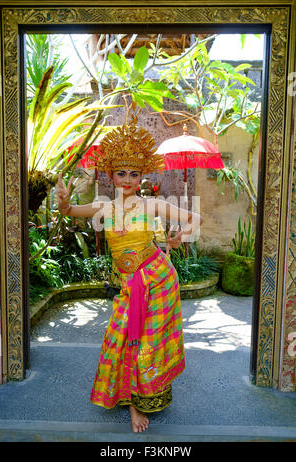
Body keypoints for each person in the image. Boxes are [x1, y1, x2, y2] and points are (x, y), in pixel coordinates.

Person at [55, 115, 203, 433]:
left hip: (158, 281)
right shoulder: (104, 208)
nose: (127, 180)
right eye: (121, 173)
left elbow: (193, 217)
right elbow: (68, 213)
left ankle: (141, 401)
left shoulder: (151, 206)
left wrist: (179, 236)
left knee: (148, 343)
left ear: (141, 177)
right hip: (128, 286)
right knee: (119, 338)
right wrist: (64, 201)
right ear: (111, 175)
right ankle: (135, 397)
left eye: (133, 174)